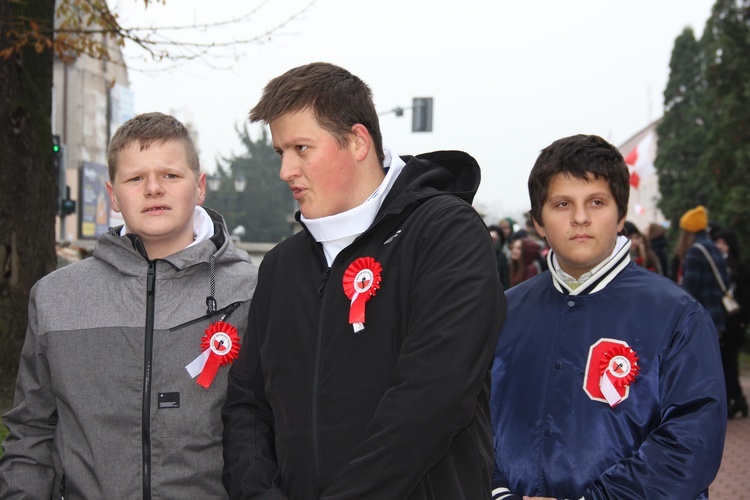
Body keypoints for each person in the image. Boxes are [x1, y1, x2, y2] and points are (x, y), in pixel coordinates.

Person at [221, 62, 505, 499]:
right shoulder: (281, 265)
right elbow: (248, 405)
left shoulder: (446, 233)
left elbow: (434, 399)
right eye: (281, 152)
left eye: (301, 148)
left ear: (357, 141)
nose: (286, 171)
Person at [0, 112, 258, 498]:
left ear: (199, 187)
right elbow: (31, 432)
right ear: (113, 195)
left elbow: (273, 426)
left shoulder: (253, 290)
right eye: (136, 178)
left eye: (170, 175)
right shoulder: (56, 297)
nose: (153, 188)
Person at [490, 134, 726, 499]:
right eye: (562, 204)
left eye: (596, 202)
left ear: (621, 215)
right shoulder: (501, 312)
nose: (580, 218)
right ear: (538, 221)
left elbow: (692, 440)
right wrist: (498, 492)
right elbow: (466, 420)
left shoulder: (678, 314)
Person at [678, 205, 729, 341]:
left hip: (700, 319)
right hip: (717, 315)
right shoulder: (714, 248)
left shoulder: (695, 251)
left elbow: (690, 290)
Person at [713, 229, 749, 418]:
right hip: (721, 320)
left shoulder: (739, 268)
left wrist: (743, 320)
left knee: (730, 362)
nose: (720, 247)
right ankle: (738, 400)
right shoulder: (716, 265)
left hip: (735, 322)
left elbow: (744, 295)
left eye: (724, 243)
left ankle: (733, 401)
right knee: (726, 363)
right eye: (717, 242)